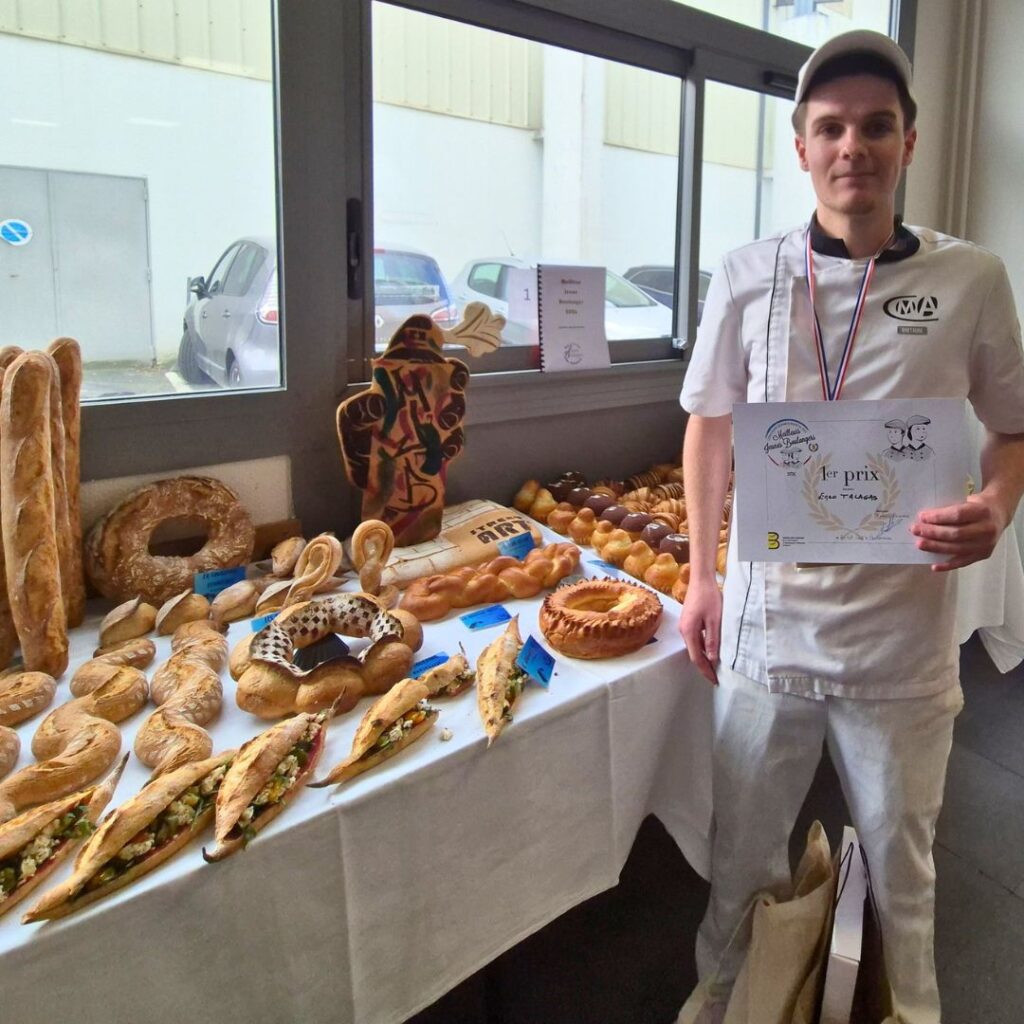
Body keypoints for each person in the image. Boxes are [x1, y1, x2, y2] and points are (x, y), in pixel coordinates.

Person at [677, 29, 1024, 1024]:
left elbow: (1013, 428)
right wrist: (702, 575)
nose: (852, 147)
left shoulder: (971, 281)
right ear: (800, 148)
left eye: (877, 126)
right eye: (830, 127)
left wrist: (996, 505)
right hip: (765, 632)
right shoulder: (747, 276)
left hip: (898, 647)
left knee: (904, 879)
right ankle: (720, 1006)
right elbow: (706, 426)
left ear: (908, 143)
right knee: (739, 865)